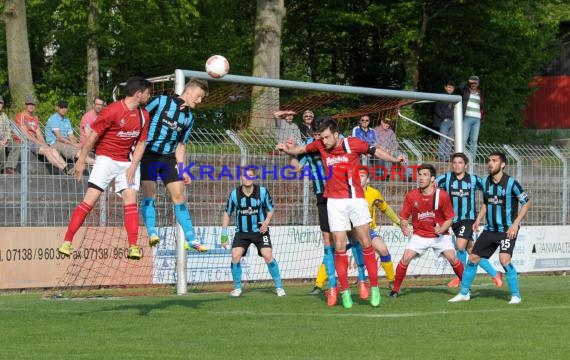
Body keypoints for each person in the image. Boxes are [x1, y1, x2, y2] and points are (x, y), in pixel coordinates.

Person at [278, 118, 404, 308]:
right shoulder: (319, 144)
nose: (324, 141)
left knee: (365, 242)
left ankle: (374, 287)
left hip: (355, 200)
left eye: (327, 137)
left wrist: (394, 160)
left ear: (336, 135)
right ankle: (344, 292)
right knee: (338, 246)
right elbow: (300, 151)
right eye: (322, 137)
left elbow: (374, 151)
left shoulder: (352, 143)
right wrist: (288, 149)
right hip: (334, 202)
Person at [57, 76, 152, 260]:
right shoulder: (112, 111)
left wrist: (133, 166)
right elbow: (92, 137)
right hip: (106, 159)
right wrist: (81, 160)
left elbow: (141, 143)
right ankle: (67, 241)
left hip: (127, 161)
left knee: (130, 197)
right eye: (148, 93)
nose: (149, 96)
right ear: (138, 94)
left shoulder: (144, 115)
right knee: (90, 200)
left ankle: (133, 246)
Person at [449, 151, 531, 304]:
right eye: (489, 160)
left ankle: (516, 295)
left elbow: (526, 203)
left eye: (494, 160)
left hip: (507, 230)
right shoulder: (486, 181)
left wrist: (515, 223)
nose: (490, 163)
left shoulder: (511, 183)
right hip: (489, 229)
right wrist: (478, 219)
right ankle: (464, 293)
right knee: (473, 257)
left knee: (504, 259)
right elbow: (487, 202)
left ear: (503, 164)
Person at [139, 78, 209, 252]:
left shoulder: (189, 118)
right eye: (199, 97)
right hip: (148, 153)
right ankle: (152, 233)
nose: (199, 101)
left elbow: (181, 145)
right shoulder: (161, 101)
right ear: (190, 90)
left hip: (168, 158)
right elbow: (139, 118)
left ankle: (191, 239)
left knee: (179, 196)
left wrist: (183, 169)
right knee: (150, 192)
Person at [389, 164, 464, 298]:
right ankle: (395, 290)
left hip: (440, 236)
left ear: (432, 179)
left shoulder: (442, 196)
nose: (421, 178)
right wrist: (404, 227)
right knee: (405, 258)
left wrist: (441, 229)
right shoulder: (411, 196)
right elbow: (404, 217)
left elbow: (450, 219)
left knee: (452, 258)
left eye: (425, 175)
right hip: (420, 235)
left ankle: (466, 288)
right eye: (420, 174)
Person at [436, 152, 502, 288]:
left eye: (460, 162)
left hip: (468, 219)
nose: (457, 165)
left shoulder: (473, 180)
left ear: (465, 165)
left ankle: (460, 277)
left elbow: (489, 186)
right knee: (472, 251)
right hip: (454, 221)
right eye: (454, 163)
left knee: (459, 246)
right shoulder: (445, 178)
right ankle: (495, 274)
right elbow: (432, 187)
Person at [220, 167, 285, 297]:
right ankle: (237, 288)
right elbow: (227, 213)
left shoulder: (262, 192)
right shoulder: (234, 194)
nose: (247, 178)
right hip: (242, 233)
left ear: (254, 177)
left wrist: (266, 222)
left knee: (267, 255)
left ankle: (279, 287)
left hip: (260, 232)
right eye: (245, 175)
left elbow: (271, 209)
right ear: (241, 177)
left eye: (250, 175)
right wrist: (223, 234)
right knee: (235, 256)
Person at [357, 168, 400, 288]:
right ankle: (319, 284)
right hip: (349, 230)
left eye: (362, 176)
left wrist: (398, 221)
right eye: (357, 175)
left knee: (383, 249)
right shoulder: (349, 192)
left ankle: (392, 281)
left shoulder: (373, 193)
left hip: (366, 230)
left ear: (368, 180)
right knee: (334, 251)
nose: (359, 178)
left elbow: (385, 208)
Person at [13, 96, 72, 175]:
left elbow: (39, 134)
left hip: (34, 142)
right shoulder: (21, 116)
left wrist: (44, 143)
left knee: (52, 150)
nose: (31, 106)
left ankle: (66, 168)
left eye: (33, 104)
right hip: (24, 141)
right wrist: (41, 143)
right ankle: (64, 169)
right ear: (25, 105)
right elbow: (26, 135)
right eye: (29, 104)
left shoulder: (35, 118)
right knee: (46, 150)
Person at [45, 100, 95, 166]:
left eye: (65, 107)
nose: (64, 109)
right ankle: (97, 164)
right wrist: (74, 144)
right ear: (57, 108)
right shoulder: (53, 119)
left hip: (64, 141)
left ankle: (87, 164)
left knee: (82, 148)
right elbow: (59, 137)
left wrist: (77, 144)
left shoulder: (67, 120)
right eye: (61, 107)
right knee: (76, 150)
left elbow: (71, 136)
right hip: (54, 143)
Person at [462, 75, 485, 159]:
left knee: (474, 141)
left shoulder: (480, 93)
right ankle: (463, 158)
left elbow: (482, 106)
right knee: (464, 139)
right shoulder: (466, 91)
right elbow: (459, 86)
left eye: (476, 82)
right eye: (472, 82)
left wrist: (482, 116)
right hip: (467, 117)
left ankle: (472, 159)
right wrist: (467, 80)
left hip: (477, 119)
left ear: (478, 83)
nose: (474, 84)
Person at [434, 81, 455, 162]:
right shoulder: (441, 96)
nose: (450, 89)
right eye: (449, 87)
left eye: (452, 88)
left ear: (453, 89)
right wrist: (443, 118)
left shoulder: (454, 98)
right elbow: (437, 108)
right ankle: (441, 157)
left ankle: (447, 157)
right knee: (443, 139)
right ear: (445, 87)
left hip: (452, 121)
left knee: (449, 140)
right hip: (444, 121)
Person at [0, 95, 21, 174]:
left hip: (4, 140)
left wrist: (6, 139)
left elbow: (8, 130)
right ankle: (2, 168)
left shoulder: (4, 115)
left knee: (16, 145)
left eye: (1, 103)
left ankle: (9, 167)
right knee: (1, 148)